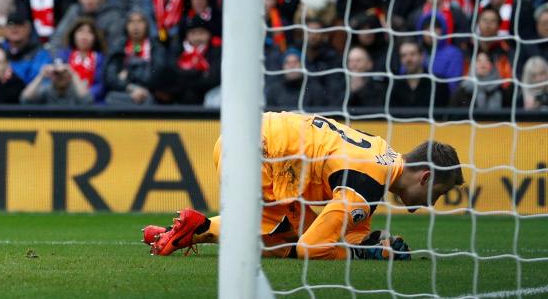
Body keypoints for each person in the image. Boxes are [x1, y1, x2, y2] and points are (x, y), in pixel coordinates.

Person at [145, 112, 464, 260]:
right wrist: (362, 255)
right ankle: (196, 228)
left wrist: (373, 241)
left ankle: (185, 231)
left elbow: (347, 230)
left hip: (246, 136)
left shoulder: (380, 153)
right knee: (291, 239)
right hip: (260, 152)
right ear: (425, 177)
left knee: (289, 225)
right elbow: (313, 247)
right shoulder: (368, 184)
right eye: (436, 194)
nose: (430, 204)